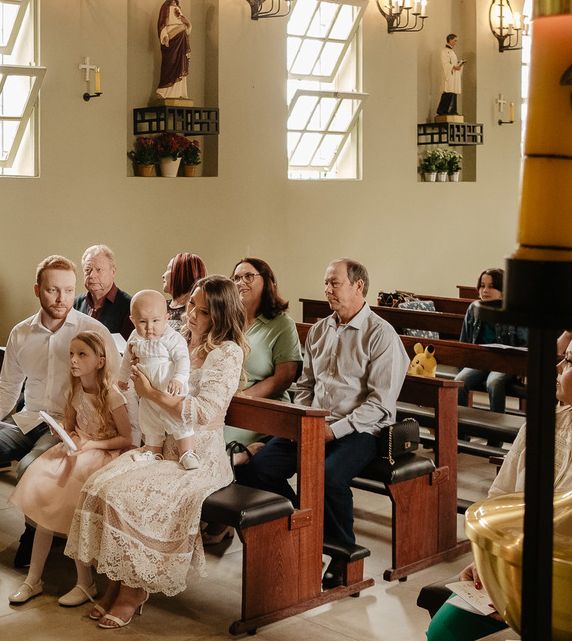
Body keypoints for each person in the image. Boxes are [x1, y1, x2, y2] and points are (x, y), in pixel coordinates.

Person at [425, 328, 572, 641]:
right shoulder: (542, 426)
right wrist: (487, 566)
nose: (557, 368)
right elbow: (500, 501)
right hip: (518, 572)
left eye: (568, 361)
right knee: (443, 631)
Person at [67, 276, 247, 629]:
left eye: (201, 310)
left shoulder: (227, 352)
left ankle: (133, 593)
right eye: (191, 304)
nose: (190, 313)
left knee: (130, 496)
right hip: (157, 444)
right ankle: (118, 583)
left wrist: (150, 393)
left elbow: (205, 412)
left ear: (221, 316)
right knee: (102, 484)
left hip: (196, 455)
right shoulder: (174, 333)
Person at [236, 258, 409, 588]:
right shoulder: (319, 330)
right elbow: (306, 386)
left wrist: (333, 430)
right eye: (326, 283)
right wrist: (302, 420)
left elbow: (379, 404)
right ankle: (301, 531)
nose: (327, 289)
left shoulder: (380, 334)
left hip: (360, 430)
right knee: (255, 468)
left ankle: (342, 555)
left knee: (328, 478)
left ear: (358, 287)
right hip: (313, 423)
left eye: (335, 283)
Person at [0, 255, 118, 578]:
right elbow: (7, 389)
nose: (62, 299)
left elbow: (111, 386)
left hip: (68, 426)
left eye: (69, 291)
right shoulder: (21, 333)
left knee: (30, 467)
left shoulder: (93, 332)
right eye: (53, 290)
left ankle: (33, 535)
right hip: (27, 418)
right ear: (38, 290)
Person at [6, 332, 132, 607]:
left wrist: (91, 445)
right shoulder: (74, 390)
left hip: (102, 454)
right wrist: (61, 430)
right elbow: (72, 425)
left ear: (100, 361)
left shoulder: (112, 395)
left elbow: (126, 439)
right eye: (71, 354)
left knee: (73, 506)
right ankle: (33, 579)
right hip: (77, 451)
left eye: (81, 354)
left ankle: (84, 581)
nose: (73, 360)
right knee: (44, 506)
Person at [226, 258, 302, 449]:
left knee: (215, 443)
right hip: (224, 401)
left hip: (259, 407)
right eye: (236, 278)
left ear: (267, 281)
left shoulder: (282, 324)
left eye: (248, 276)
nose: (240, 282)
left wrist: (241, 399)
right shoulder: (227, 321)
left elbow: (283, 378)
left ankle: (247, 454)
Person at [127, 290, 196, 469]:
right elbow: (126, 359)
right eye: (142, 322)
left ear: (166, 319)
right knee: (149, 421)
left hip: (168, 389)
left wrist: (179, 378)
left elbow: (182, 359)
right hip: (146, 393)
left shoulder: (172, 338)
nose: (149, 327)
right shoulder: (134, 337)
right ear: (133, 321)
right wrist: (122, 378)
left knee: (178, 421)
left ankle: (187, 452)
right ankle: (153, 452)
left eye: (155, 321)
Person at [455, 268, 528, 415]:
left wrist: (523, 368)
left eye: (491, 286)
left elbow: (525, 343)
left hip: (505, 362)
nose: (485, 290)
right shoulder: (473, 308)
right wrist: (462, 365)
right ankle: (461, 432)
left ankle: (496, 434)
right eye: (482, 286)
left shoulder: (513, 311)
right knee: (459, 381)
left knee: (494, 382)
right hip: (481, 360)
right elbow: (465, 341)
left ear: (503, 290)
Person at [73, 244, 133, 337]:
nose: (92, 275)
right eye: (87, 270)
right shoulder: (74, 304)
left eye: (99, 270)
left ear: (113, 272)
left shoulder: (129, 306)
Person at [155, 0, 191, 101]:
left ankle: (179, 92)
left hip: (181, 40)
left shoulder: (179, 8)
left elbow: (186, 27)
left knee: (180, 63)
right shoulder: (165, 7)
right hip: (172, 40)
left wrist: (187, 23)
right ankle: (164, 92)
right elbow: (162, 25)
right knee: (170, 63)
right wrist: (165, 37)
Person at [161, 252, 207, 331]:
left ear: (183, 274)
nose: (163, 275)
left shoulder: (193, 313)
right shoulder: (160, 306)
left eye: (169, 269)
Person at [436, 33, 465, 116]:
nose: (456, 43)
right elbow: (444, 63)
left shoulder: (452, 52)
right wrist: (453, 67)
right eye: (455, 41)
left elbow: (454, 63)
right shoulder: (444, 51)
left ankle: (452, 110)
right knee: (448, 92)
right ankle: (443, 110)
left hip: (454, 76)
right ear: (450, 40)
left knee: (453, 92)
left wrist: (459, 65)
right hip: (449, 75)